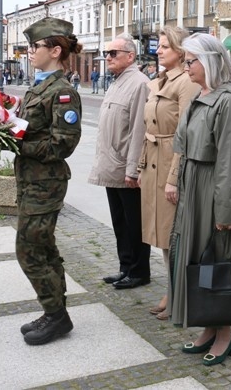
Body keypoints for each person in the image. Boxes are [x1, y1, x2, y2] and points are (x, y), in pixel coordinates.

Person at [171, 33, 231, 366]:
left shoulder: (228, 100)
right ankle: (208, 325)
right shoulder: (200, 95)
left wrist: (225, 210)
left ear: (210, 62)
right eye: (186, 60)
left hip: (214, 191)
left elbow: (230, 162)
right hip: (194, 187)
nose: (186, 66)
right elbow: (184, 146)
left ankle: (225, 333)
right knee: (196, 260)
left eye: (191, 61)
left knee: (219, 261)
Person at [13, 17, 83, 345]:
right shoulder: (38, 86)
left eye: (35, 46)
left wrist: (16, 143)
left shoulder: (63, 92)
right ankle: (57, 313)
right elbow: (28, 128)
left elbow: (62, 144)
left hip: (46, 183)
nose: (29, 52)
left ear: (54, 51)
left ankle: (55, 314)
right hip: (30, 180)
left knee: (28, 248)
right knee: (43, 245)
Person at [137, 27, 200, 321]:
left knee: (172, 232)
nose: (158, 50)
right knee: (162, 235)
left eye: (165, 46)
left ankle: (179, 292)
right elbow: (149, 129)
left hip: (169, 163)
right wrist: (139, 166)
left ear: (180, 50)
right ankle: (172, 288)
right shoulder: (158, 81)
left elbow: (186, 134)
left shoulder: (186, 82)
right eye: (159, 46)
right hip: (153, 161)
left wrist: (174, 177)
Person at [88, 33, 152, 289]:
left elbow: (139, 130)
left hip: (126, 168)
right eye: (107, 53)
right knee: (120, 222)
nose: (108, 57)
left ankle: (139, 271)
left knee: (134, 224)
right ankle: (125, 267)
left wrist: (133, 169)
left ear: (130, 56)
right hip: (111, 165)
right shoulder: (117, 82)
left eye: (113, 53)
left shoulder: (139, 84)